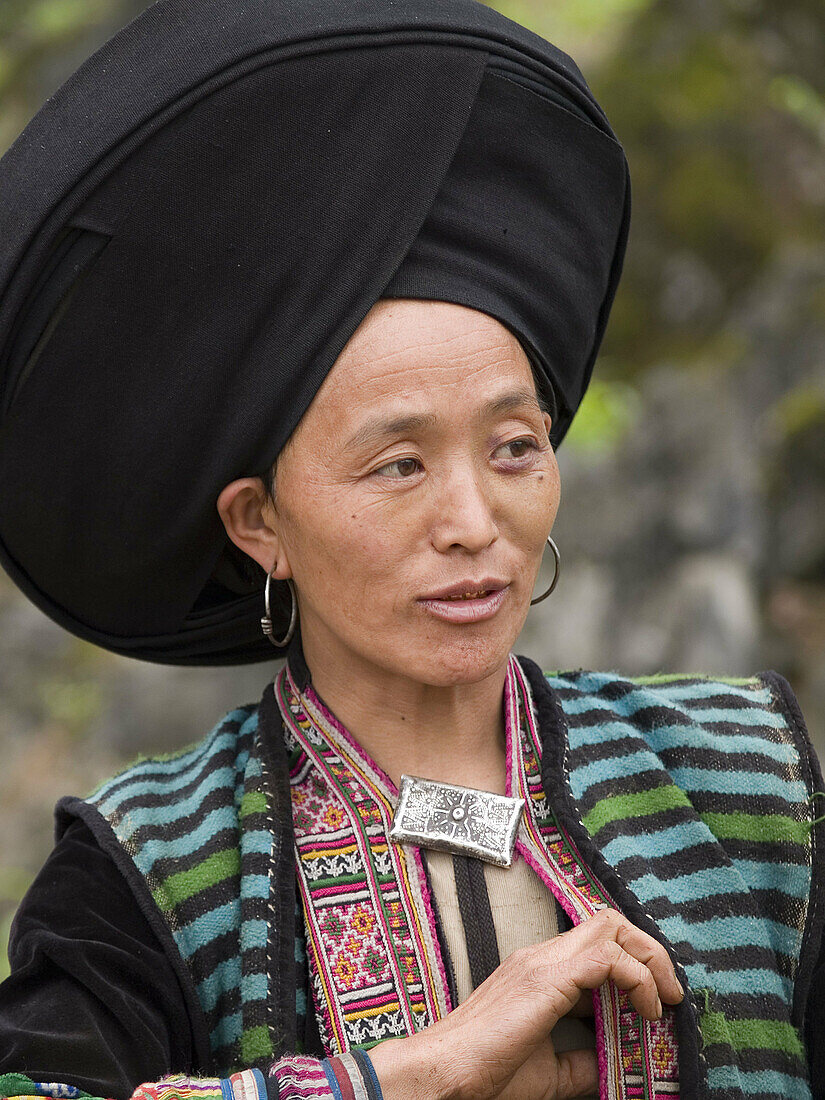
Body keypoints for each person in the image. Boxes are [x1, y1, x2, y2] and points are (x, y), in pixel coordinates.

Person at [0, 2, 822, 1100]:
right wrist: (415, 1073)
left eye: (515, 447)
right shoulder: (147, 865)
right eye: (398, 465)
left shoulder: (745, 773)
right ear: (261, 524)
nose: (475, 520)